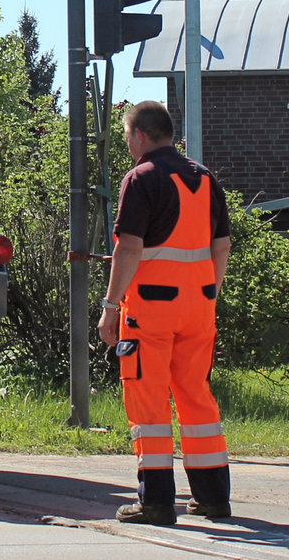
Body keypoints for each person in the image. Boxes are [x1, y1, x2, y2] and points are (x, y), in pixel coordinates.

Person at [97, 101, 233, 526]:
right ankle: (213, 498)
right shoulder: (205, 179)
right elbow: (222, 246)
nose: (127, 142)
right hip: (199, 307)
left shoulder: (140, 178)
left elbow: (130, 248)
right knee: (196, 395)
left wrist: (109, 308)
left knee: (148, 398)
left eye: (126, 135)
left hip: (151, 310)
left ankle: (154, 501)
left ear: (139, 135)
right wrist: (208, 292)